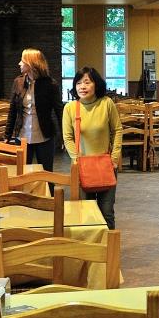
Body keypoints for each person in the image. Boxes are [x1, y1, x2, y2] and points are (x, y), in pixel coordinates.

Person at [61, 66, 121, 229]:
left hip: (106, 165)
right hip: (82, 167)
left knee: (106, 212)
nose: (82, 86)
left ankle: (108, 244)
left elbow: (117, 130)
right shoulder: (70, 108)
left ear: (96, 84)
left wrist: (115, 158)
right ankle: (89, 244)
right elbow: (68, 137)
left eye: (87, 82)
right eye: (78, 83)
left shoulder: (107, 103)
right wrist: (76, 159)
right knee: (85, 212)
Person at [4, 48, 59, 173]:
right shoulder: (18, 82)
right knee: (22, 173)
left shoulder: (51, 84)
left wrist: (64, 137)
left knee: (46, 173)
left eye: (22, 61)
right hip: (22, 136)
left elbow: (59, 110)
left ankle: (47, 187)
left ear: (31, 64)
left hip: (45, 136)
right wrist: (7, 135)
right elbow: (12, 110)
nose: (19, 63)